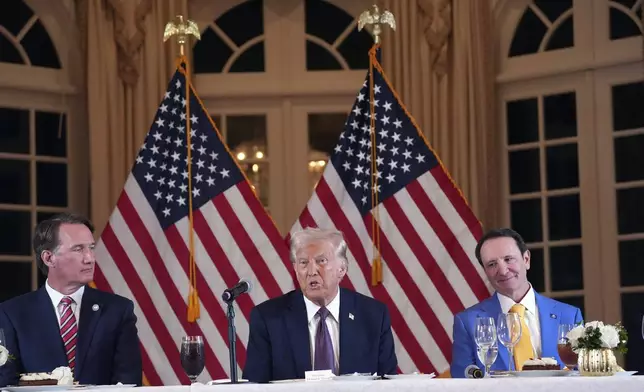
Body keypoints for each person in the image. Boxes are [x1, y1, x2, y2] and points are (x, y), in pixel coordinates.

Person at [0, 213, 142, 387]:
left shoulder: (118, 310)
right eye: (78, 249)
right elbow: (6, 383)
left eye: (91, 248)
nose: (90, 258)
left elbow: (129, 382)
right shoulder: (12, 314)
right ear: (49, 258)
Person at [242, 227, 397, 383]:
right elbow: (254, 387)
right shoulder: (268, 318)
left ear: (342, 269)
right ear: (296, 269)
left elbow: (390, 384)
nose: (311, 271)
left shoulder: (374, 315)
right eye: (303, 263)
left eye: (321, 261)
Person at [450, 228, 583, 377]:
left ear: (526, 259)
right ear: (485, 271)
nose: (503, 270)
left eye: (508, 259)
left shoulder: (569, 316)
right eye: (492, 264)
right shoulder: (468, 322)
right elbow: (461, 382)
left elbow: (582, 377)